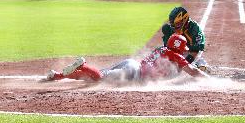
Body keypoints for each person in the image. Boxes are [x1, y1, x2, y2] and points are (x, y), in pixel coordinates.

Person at [46, 34, 209, 82]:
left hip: (131, 64)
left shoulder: (162, 49)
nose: (184, 52)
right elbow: (193, 71)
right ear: (179, 47)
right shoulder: (175, 55)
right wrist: (210, 79)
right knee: (98, 77)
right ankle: (84, 65)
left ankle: (57, 75)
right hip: (133, 74)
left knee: (95, 75)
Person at [161, 6, 209, 72]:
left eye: (177, 24)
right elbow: (167, 48)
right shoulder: (169, 29)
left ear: (185, 20)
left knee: (192, 65)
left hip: (191, 49)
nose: (174, 27)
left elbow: (195, 51)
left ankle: (200, 64)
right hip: (179, 47)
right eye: (173, 24)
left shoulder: (195, 30)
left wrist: (181, 66)